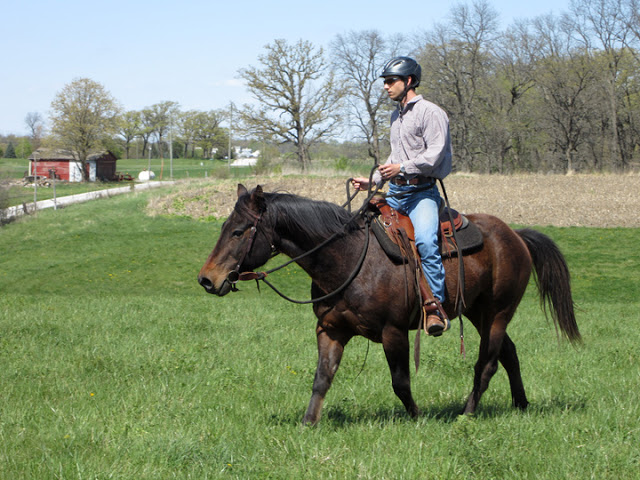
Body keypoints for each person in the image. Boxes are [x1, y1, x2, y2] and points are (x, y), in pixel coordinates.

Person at [352, 56, 453, 337]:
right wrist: (373, 180)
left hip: (422, 194)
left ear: (408, 81)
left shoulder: (431, 113)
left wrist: (402, 168)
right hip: (395, 192)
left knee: (425, 241)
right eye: (384, 82)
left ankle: (435, 307)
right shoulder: (396, 116)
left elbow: (434, 155)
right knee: (359, 230)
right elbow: (395, 157)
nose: (386, 86)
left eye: (390, 81)